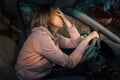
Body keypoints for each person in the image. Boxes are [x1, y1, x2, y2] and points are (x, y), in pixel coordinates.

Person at [15, 4, 99, 80]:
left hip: (42, 73)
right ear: (49, 17)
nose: (62, 16)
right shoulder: (40, 38)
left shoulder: (52, 35)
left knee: (80, 71)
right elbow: (70, 62)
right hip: (30, 78)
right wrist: (88, 38)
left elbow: (75, 43)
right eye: (58, 14)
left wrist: (68, 24)